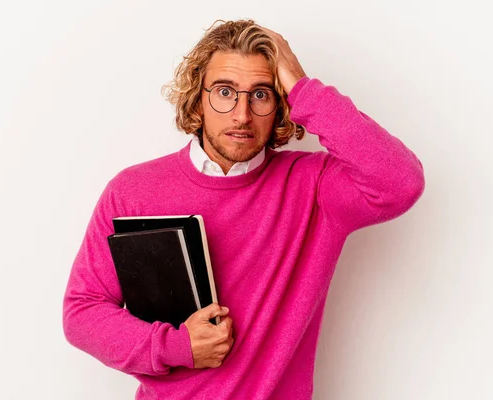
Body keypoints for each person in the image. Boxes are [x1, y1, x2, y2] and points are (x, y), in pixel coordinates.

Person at [63, 19, 425, 400]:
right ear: (197, 97)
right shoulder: (133, 191)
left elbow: (401, 182)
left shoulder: (316, 189)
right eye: (224, 92)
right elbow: (82, 312)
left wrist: (304, 88)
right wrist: (176, 346)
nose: (241, 115)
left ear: (281, 103)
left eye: (261, 94)